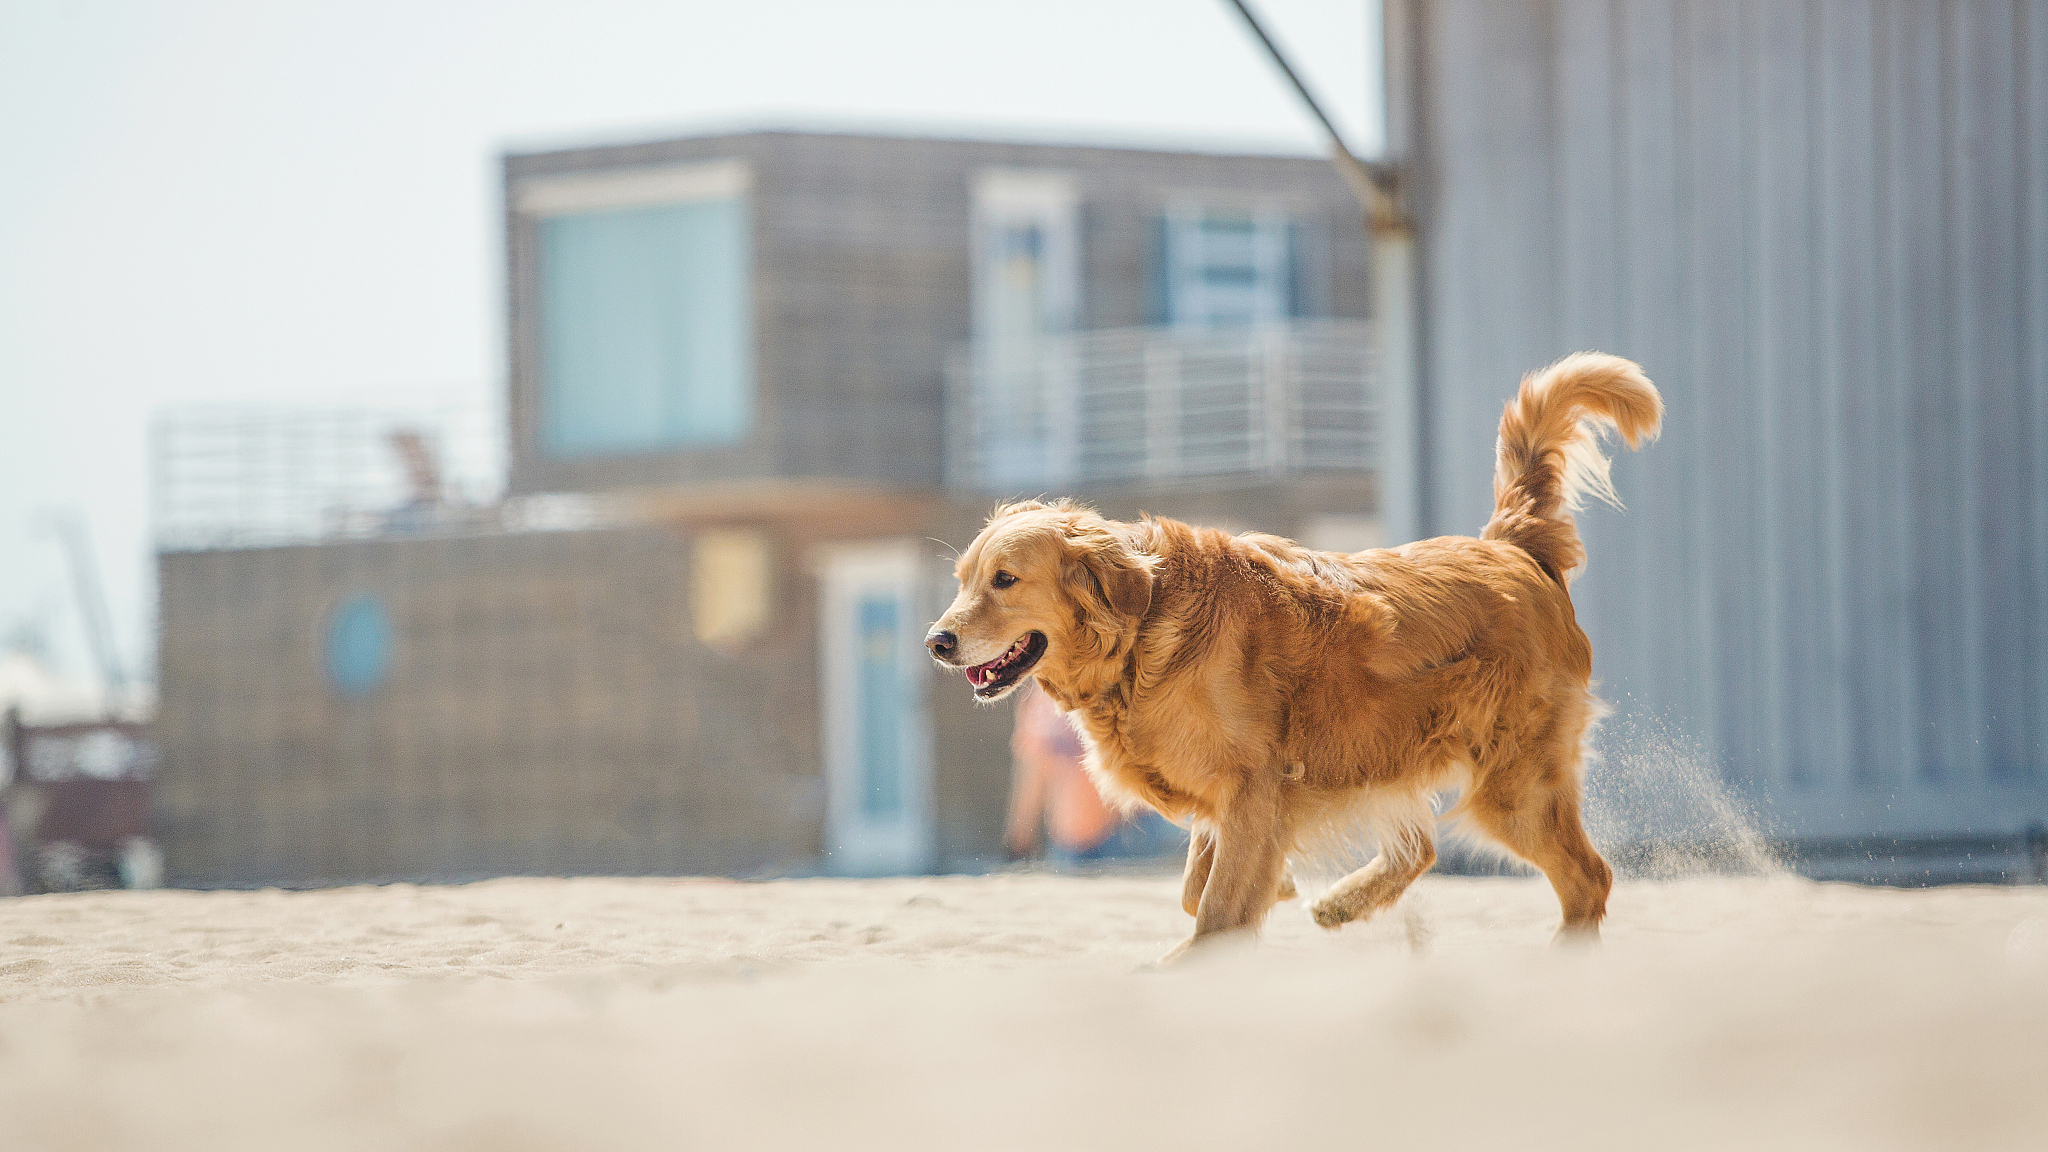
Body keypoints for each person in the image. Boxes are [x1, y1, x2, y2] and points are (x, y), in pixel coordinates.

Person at [1004, 681, 1179, 868]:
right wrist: (1020, 834)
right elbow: (1035, 767)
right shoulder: (1039, 694)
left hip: (1131, 833)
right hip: (1071, 842)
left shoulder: (1110, 672)